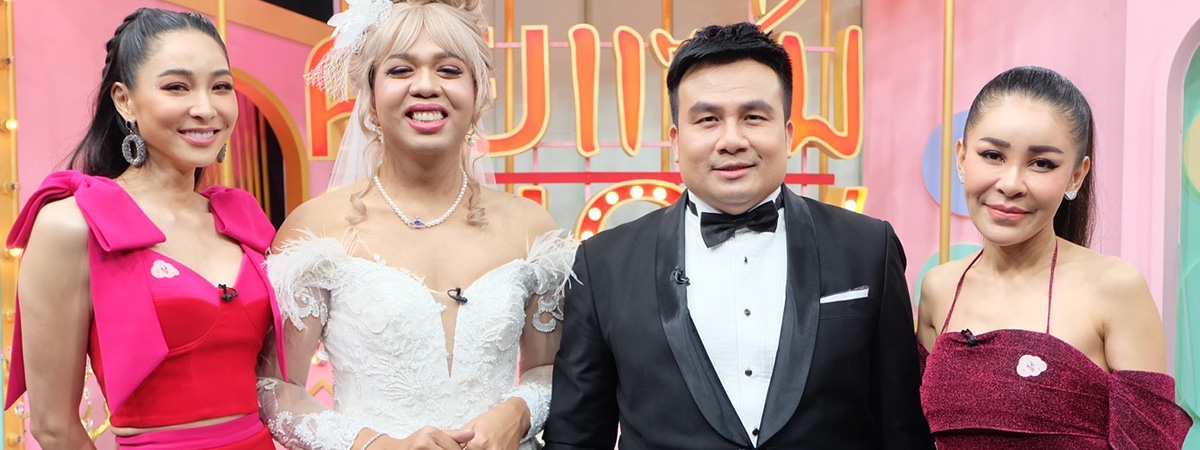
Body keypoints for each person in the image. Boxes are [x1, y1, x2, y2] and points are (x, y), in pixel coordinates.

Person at [543, 22, 933, 449]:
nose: (731, 140)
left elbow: (902, 428)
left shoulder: (868, 248)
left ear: (788, 134)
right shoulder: (603, 264)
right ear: (676, 141)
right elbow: (576, 437)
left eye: (753, 117)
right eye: (708, 120)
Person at [255, 1, 575, 449]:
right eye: (401, 70)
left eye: (449, 70)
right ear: (370, 95)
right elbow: (276, 388)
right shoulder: (316, 228)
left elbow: (549, 369)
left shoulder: (531, 227)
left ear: (478, 92)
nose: (425, 86)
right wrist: (374, 444)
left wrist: (517, 413)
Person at [4, 8, 286, 449]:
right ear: (124, 100)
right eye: (177, 87)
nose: (205, 108)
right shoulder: (73, 225)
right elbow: (53, 426)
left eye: (221, 87)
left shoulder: (243, 221)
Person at [916, 66, 1193, 449]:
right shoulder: (938, 288)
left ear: (1076, 176)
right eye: (992, 155)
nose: (1010, 183)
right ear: (962, 157)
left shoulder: (1115, 288)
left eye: (1042, 163)